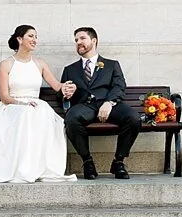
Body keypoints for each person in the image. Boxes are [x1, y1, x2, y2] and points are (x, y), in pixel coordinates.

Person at [0, 25, 76, 183]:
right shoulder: (6, 64)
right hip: (12, 106)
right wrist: (21, 104)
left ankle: (37, 167)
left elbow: (57, 86)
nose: (35, 40)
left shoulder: (40, 63)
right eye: (31, 36)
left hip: (35, 105)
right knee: (27, 113)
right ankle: (21, 168)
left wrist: (67, 87)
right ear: (20, 39)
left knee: (41, 114)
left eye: (36, 37)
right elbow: (4, 97)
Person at [59, 26, 140, 179]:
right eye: (76, 40)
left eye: (82, 38)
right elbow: (62, 94)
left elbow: (119, 86)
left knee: (133, 118)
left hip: (109, 105)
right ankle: (87, 161)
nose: (78, 42)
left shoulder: (111, 65)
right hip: (85, 106)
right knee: (71, 119)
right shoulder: (70, 69)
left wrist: (109, 102)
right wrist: (67, 92)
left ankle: (119, 161)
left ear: (94, 40)